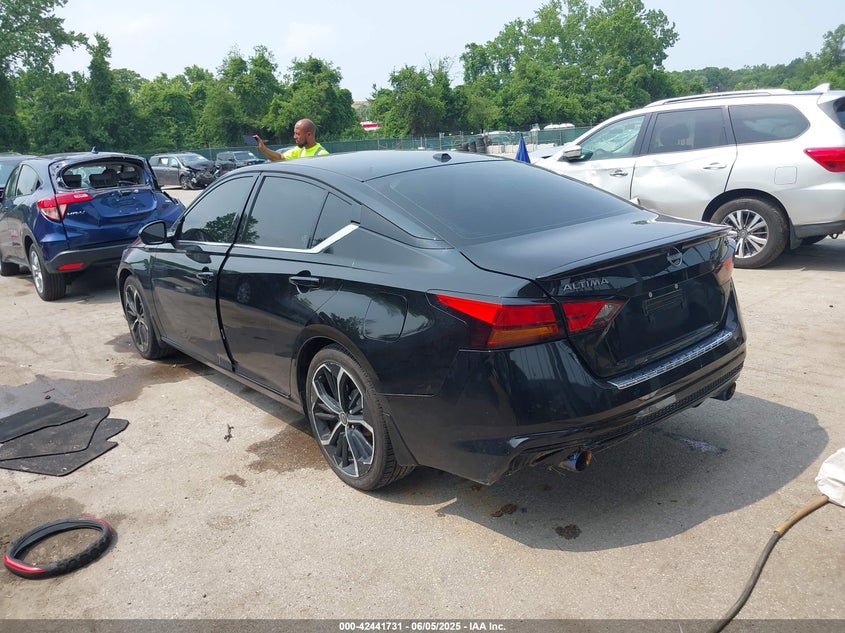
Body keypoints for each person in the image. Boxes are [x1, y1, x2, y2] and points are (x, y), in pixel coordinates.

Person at [253, 118, 329, 161]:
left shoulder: (322, 155)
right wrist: (263, 148)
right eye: (294, 133)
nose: (294, 137)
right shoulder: (300, 150)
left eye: (298, 134)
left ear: (309, 134)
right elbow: (280, 158)